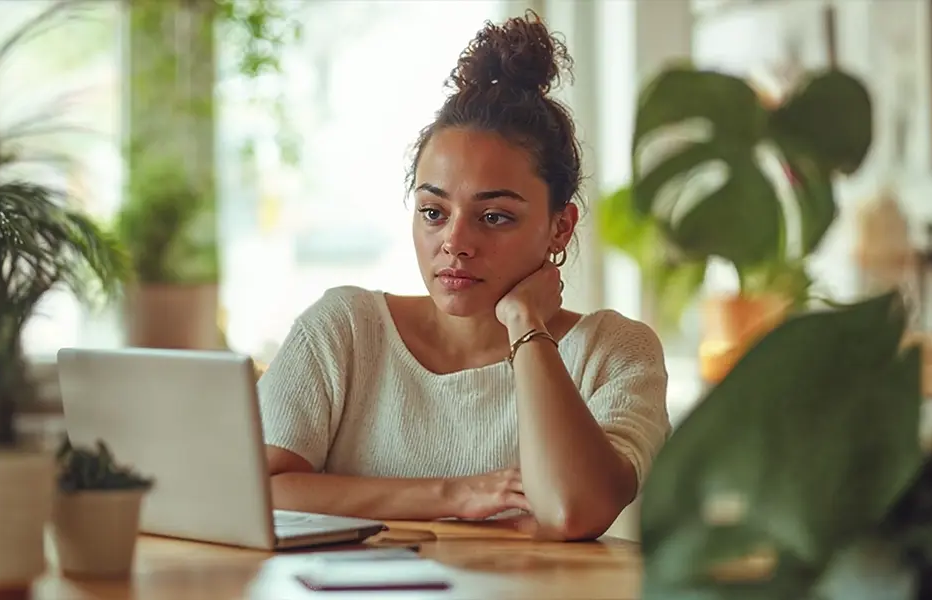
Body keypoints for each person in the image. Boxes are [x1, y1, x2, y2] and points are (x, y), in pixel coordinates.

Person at [256, 11, 669, 542]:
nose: (454, 242)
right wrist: (455, 495)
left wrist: (526, 325)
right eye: (434, 212)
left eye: (494, 216)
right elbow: (259, 491)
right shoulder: (346, 330)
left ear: (559, 228)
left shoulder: (614, 351)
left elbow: (572, 510)